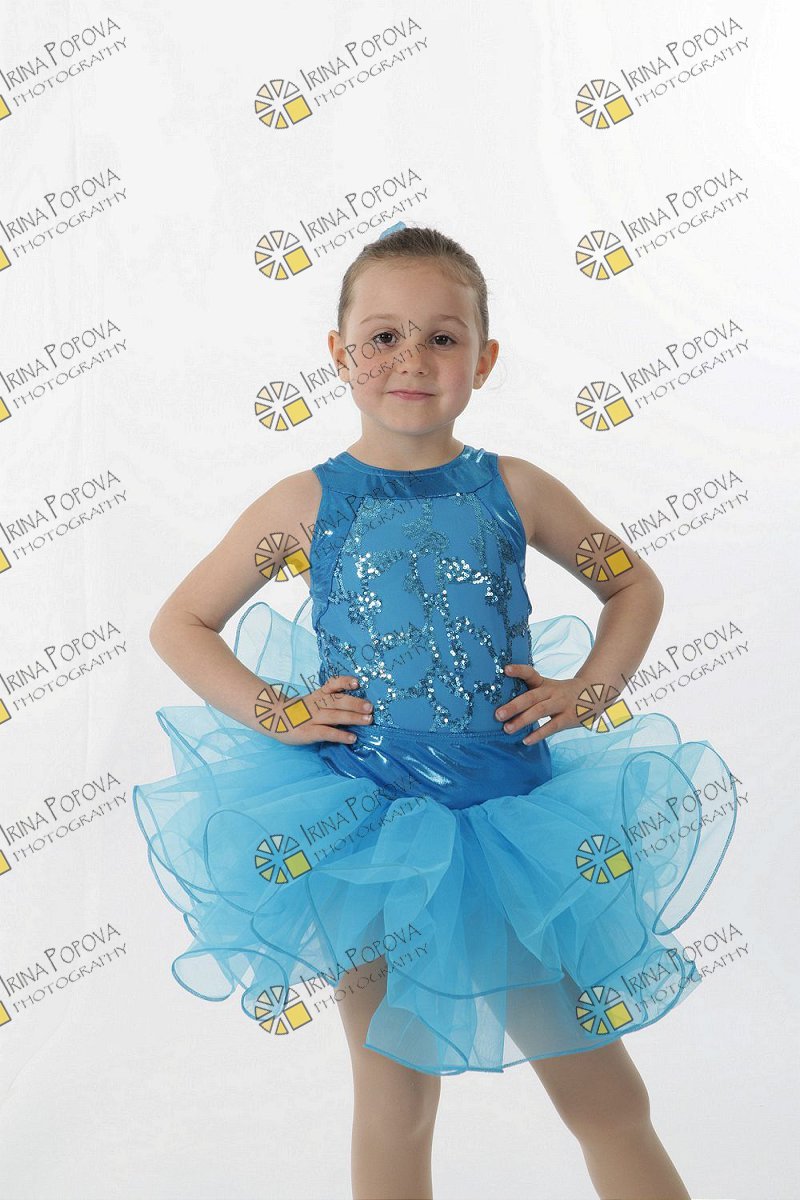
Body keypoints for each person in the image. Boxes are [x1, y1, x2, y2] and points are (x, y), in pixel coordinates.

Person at [132, 226, 737, 1200]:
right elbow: (182, 622)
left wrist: (589, 691)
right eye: (382, 337)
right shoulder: (304, 502)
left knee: (606, 1096)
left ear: (483, 359)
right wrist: (276, 710)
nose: (410, 358)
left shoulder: (516, 488)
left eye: (442, 337)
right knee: (395, 1104)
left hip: (517, 834)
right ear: (338, 354)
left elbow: (632, 583)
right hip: (366, 838)